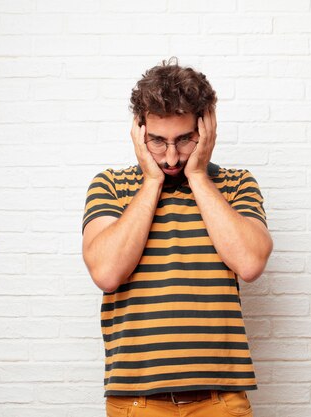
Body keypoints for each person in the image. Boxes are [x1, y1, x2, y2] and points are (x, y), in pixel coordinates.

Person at [81, 57, 272, 417]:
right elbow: (106, 273)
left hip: (221, 400)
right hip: (136, 402)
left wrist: (198, 176)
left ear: (207, 129)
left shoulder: (235, 184)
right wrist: (152, 182)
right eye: (158, 141)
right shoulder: (110, 186)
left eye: (185, 140)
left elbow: (249, 263)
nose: (171, 157)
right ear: (138, 131)